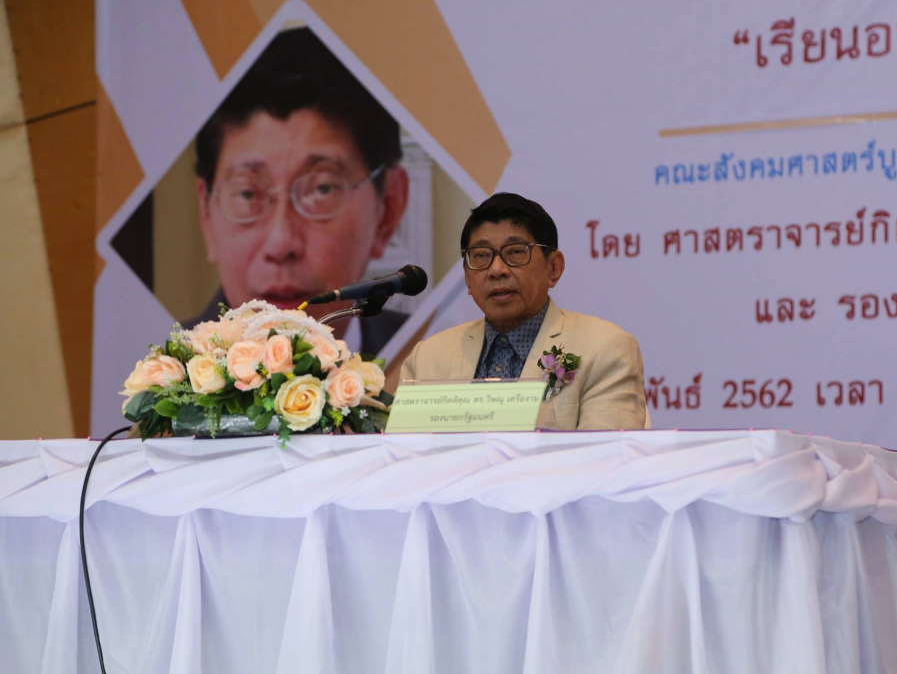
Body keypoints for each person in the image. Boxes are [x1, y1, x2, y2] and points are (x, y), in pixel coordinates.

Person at [184, 28, 409, 355]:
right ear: (206, 215)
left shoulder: (439, 363)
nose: (280, 244)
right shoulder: (145, 376)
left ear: (388, 207)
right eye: (247, 194)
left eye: (321, 189)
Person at [400, 192, 648, 430]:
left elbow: (603, 454)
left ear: (553, 268)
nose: (496, 269)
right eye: (481, 255)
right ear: (467, 277)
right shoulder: (427, 359)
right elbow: (407, 454)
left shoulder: (604, 349)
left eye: (516, 252)